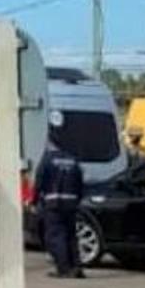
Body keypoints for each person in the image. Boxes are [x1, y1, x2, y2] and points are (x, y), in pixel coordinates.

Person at [33, 113, 86, 279]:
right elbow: (80, 182)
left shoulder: (48, 159)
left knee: (55, 237)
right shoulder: (73, 159)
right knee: (71, 236)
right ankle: (76, 267)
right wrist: (78, 199)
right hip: (71, 204)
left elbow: (40, 180)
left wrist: (34, 200)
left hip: (53, 203)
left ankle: (63, 269)